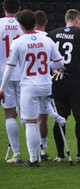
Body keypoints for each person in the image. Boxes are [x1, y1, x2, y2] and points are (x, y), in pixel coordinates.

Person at [0, 9, 65, 167]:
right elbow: (60, 63)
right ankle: (53, 121)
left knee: (30, 122)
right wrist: (45, 68)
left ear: (21, 26)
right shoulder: (46, 40)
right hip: (45, 84)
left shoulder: (18, 42)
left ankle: (33, 159)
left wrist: (2, 89)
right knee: (42, 114)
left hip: (29, 86)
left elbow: (9, 69)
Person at [47, 9, 80, 163]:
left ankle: (60, 155)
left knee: (60, 117)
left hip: (57, 80)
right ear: (77, 20)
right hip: (77, 81)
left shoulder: (51, 34)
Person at [0, 0, 23, 164]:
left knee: (9, 113)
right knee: (27, 114)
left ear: (4, 9)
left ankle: (17, 154)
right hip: (23, 74)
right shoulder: (24, 24)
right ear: (19, 9)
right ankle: (37, 152)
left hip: (3, 74)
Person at [34, 10, 51, 161]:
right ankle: (43, 150)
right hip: (46, 82)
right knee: (43, 118)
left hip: (28, 83)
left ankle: (34, 152)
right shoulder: (49, 38)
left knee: (30, 119)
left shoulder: (24, 38)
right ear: (46, 22)